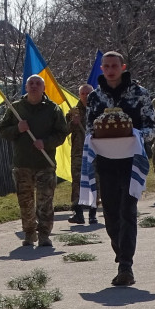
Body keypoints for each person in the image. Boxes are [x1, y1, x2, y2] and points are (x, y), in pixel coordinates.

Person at [86, 51, 155, 286]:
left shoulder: (139, 94)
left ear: (123, 67)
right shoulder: (95, 97)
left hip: (132, 161)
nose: (110, 69)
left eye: (114, 65)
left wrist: (132, 134)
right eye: (106, 66)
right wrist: (95, 138)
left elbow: (151, 128)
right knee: (111, 214)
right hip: (106, 162)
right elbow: (89, 128)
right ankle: (121, 252)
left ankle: (126, 264)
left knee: (128, 211)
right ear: (102, 69)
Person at [0, 75, 70, 247]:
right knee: (26, 202)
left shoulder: (53, 109)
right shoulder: (16, 108)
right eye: (31, 83)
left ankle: (44, 234)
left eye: (38, 84)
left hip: (45, 163)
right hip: (22, 163)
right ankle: (30, 233)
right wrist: (17, 128)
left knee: (45, 201)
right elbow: (1, 130)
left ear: (44, 88)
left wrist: (45, 143)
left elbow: (62, 133)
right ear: (26, 87)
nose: (34, 86)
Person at [68, 83, 97, 224]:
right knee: (77, 182)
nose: (85, 96)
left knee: (94, 181)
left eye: (88, 93)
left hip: (95, 151)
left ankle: (93, 213)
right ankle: (77, 212)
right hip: (78, 153)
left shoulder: (98, 109)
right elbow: (63, 131)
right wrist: (73, 123)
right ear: (79, 95)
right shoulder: (73, 111)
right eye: (83, 94)